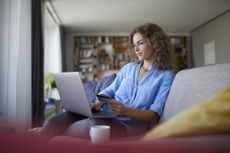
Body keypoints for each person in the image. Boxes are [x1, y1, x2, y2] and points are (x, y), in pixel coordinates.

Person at [40, 23, 175, 140]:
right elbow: (110, 90)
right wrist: (98, 103)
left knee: (94, 126)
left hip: (125, 125)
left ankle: (49, 133)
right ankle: (43, 136)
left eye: (140, 43)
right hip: (104, 112)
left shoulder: (166, 76)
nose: (136, 49)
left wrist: (126, 111)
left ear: (155, 42)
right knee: (55, 120)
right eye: (134, 45)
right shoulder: (129, 68)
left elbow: (154, 115)